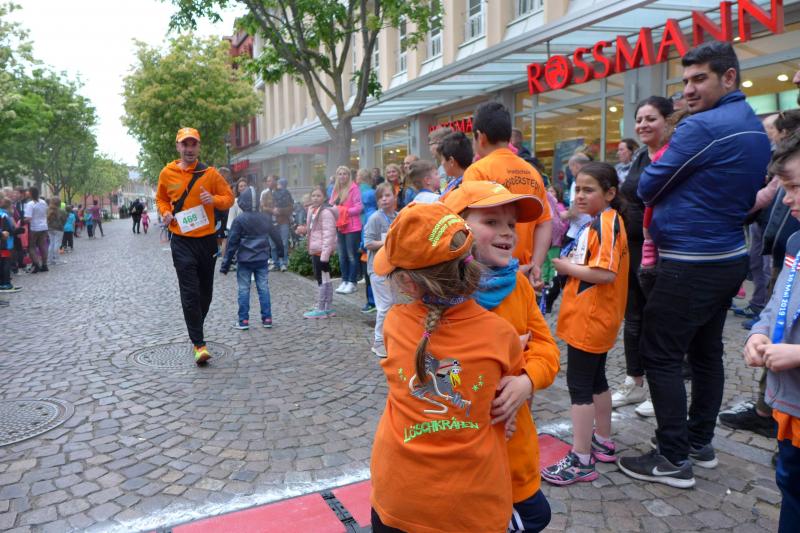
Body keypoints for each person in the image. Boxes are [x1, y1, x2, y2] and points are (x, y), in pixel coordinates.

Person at [618, 41, 772, 488]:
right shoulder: (752, 124)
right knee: (705, 353)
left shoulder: (702, 126)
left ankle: (672, 457)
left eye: (699, 78)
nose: (688, 89)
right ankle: (699, 443)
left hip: (691, 260)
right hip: (725, 255)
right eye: (685, 80)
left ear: (729, 77)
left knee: (660, 352)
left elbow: (647, 185)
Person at [369, 201, 523, 533]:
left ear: (407, 284)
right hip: (471, 507)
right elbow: (507, 404)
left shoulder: (394, 322)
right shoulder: (502, 335)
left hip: (397, 494)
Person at [443, 181, 559, 531]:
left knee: (533, 514)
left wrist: (526, 380)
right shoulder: (441, 294)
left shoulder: (519, 286)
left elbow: (546, 348)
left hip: (514, 448)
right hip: (464, 451)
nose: (507, 232)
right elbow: (437, 370)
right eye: (491, 222)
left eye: (511, 223)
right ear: (456, 229)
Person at [540, 162, 629, 486]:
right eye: (577, 189)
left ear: (610, 193)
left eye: (588, 190)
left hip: (590, 319)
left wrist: (566, 268)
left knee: (579, 387)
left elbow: (605, 273)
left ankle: (580, 458)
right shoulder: (602, 221)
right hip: (594, 317)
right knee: (596, 381)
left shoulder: (605, 224)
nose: (579, 195)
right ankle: (602, 440)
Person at [744, 131, 800, 532]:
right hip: (790, 406)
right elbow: (776, 302)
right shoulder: (795, 241)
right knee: (791, 489)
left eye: (794, 187)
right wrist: (758, 334)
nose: (785, 199)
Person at [612, 96, 674, 417]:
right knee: (633, 316)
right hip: (633, 247)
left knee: (658, 319)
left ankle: (659, 388)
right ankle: (634, 381)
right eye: (639, 120)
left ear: (667, 121)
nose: (643, 125)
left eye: (651, 119)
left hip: (662, 250)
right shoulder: (640, 157)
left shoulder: (674, 155)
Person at [155, 127, 235, 365]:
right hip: (181, 240)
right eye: (185, 144)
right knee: (189, 291)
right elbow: (161, 198)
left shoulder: (209, 174)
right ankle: (199, 344)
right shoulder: (167, 173)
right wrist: (165, 212)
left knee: (205, 294)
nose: (189, 149)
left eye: (193, 144)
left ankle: (195, 326)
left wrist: (214, 200)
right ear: (178, 146)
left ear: (198, 147)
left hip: (206, 240)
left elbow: (229, 198)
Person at [464, 102, 552, 289]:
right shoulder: (532, 172)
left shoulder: (478, 171)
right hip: (524, 272)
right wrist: (536, 265)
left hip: (491, 275)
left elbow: (470, 225)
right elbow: (544, 222)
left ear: (480, 137)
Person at [220, 186, 283, 330]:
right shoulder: (265, 218)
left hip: (244, 260)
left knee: (244, 290)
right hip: (261, 258)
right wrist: (280, 253)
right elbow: (276, 236)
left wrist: (225, 265)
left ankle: (243, 321)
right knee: (263, 288)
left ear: (242, 202)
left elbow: (232, 243)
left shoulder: (239, 220)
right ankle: (267, 318)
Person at [363, 183, 397, 357]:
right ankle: (378, 342)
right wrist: (387, 243)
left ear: (394, 197)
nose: (384, 199)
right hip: (377, 268)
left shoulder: (398, 217)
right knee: (384, 306)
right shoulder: (375, 218)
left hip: (393, 268)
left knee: (393, 304)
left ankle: (390, 339)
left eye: (387, 195)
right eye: (380, 197)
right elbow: (368, 243)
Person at [299, 184, 338, 319]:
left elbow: (329, 234)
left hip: (321, 252)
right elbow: (314, 229)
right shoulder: (314, 210)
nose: (315, 198)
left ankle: (321, 308)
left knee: (322, 278)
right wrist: (304, 230)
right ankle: (327, 307)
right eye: (313, 195)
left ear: (324, 197)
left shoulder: (325, 213)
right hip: (317, 249)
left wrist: (325, 255)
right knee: (324, 277)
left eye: (318, 196)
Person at [331, 165, 362, 295]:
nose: (342, 176)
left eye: (345, 174)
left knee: (351, 256)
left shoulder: (354, 189)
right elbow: (332, 205)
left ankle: (352, 282)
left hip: (352, 227)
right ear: (337, 176)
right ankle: (344, 280)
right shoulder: (336, 190)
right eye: (340, 174)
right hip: (340, 226)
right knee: (342, 256)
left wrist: (344, 211)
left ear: (349, 176)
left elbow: (359, 207)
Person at [357, 169, 377, 313]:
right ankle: (372, 301)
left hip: (367, 251)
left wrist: (362, 245)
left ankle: (372, 302)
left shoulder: (369, 215)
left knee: (369, 277)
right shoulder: (373, 213)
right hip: (369, 250)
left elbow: (366, 234)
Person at [270, 177, 294, 272]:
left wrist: (279, 210)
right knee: (273, 244)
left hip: (283, 221)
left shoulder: (286, 193)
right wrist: (271, 210)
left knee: (284, 243)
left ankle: (283, 263)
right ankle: (275, 263)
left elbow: (291, 208)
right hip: (271, 222)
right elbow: (263, 207)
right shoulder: (267, 194)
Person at [439, 131, 473, 197]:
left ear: (451, 161)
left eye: (442, 159)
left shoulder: (462, 189)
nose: (442, 163)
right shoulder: (456, 182)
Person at [23, 186, 48, 273]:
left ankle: (36, 264)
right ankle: (44, 265)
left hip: (34, 227)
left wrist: (21, 221)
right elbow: (46, 213)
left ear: (30, 193)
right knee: (42, 246)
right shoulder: (43, 202)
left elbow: (28, 218)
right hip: (44, 226)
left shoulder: (30, 204)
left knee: (32, 246)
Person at [0, 197, 22, 292]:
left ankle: (4, 283)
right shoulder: (4, 214)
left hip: (5, 243)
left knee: (4, 263)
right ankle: (6, 284)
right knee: (5, 262)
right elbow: (8, 230)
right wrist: (17, 231)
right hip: (5, 244)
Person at [46, 197, 66, 265]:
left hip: (50, 228)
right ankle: (57, 260)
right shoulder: (61, 211)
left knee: (51, 244)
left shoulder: (47, 210)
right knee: (57, 244)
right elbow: (64, 220)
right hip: (59, 228)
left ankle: (50, 260)